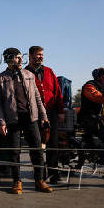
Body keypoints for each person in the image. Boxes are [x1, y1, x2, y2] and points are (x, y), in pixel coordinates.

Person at [0, 47, 52, 194]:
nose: (21, 60)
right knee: (14, 152)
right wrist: (1, 122)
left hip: (30, 118)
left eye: (21, 57)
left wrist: (44, 116)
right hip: (12, 120)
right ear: (9, 59)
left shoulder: (29, 75)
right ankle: (17, 181)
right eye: (17, 57)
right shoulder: (0, 78)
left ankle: (40, 181)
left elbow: (38, 98)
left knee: (37, 150)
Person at [25, 46, 64, 184]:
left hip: (51, 112)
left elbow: (58, 92)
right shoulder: (24, 72)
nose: (41, 57)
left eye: (42, 55)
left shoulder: (49, 71)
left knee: (53, 143)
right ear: (30, 56)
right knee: (36, 144)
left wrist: (60, 111)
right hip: (33, 114)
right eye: (38, 55)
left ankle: (54, 173)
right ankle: (40, 174)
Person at [78, 68, 104, 168]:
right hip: (89, 119)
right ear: (101, 77)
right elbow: (98, 97)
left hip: (99, 119)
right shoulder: (89, 86)